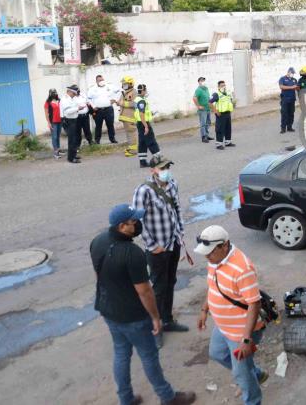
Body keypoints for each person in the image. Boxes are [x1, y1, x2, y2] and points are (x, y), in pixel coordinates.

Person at [90, 204, 196, 405]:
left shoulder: (97, 241)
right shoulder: (132, 252)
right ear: (122, 226)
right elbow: (145, 291)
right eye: (134, 222)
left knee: (121, 354)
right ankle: (168, 397)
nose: (138, 224)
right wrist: (156, 318)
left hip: (108, 310)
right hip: (134, 316)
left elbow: (98, 275)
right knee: (149, 356)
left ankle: (126, 399)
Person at [195, 225, 268, 405]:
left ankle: (253, 399)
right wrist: (205, 309)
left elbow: (254, 303)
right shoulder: (214, 261)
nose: (207, 256)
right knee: (217, 353)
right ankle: (256, 375)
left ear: (224, 245)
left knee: (241, 374)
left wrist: (245, 339)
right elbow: (213, 286)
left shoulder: (242, 268)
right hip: (223, 327)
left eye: (210, 252)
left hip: (240, 331)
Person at [132, 157, 189, 348]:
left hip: (173, 243)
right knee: (157, 287)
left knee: (170, 282)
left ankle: (167, 320)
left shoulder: (172, 184)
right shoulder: (144, 191)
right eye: (162, 168)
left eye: (168, 167)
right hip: (157, 248)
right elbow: (137, 221)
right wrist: (152, 244)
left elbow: (177, 209)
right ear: (152, 170)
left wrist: (180, 233)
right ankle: (154, 328)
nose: (166, 170)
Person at [134, 84, 161, 168]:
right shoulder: (142, 101)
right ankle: (158, 159)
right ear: (142, 91)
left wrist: (151, 113)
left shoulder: (137, 99)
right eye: (145, 90)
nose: (146, 92)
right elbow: (141, 114)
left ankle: (142, 161)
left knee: (142, 143)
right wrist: (146, 126)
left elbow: (140, 112)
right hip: (143, 123)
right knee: (151, 141)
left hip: (139, 123)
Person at [88, 74, 118, 145]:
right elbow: (88, 98)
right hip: (98, 111)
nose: (101, 81)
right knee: (98, 126)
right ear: (96, 81)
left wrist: (115, 99)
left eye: (102, 80)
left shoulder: (109, 86)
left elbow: (118, 92)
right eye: (99, 80)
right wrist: (93, 106)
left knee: (110, 125)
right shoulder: (92, 89)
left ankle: (112, 139)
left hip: (108, 109)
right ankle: (97, 140)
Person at [61, 85, 84, 163]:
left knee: (75, 139)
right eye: (74, 93)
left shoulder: (71, 99)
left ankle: (73, 155)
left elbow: (73, 108)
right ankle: (71, 158)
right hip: (68, 121)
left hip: (73, 120)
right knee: (72, 140)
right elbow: (67, 111)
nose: (74, 95)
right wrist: (78, 108)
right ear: (69, 91)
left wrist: (77, 108)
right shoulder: (65, 99)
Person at [209, 80, 236, 150]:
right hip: (220, 114)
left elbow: (230, 101)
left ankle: (228, 142)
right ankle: (219, 144)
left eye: (224, 85)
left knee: (228, 128)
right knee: (220, 129)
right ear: (218, 87)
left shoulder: (227, 93)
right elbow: (209, 102)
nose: (223, 87)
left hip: (227, 113)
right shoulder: (216, 94)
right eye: (222, 86)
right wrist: (215, 111)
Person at [118, 76, 138, 158]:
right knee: (128, 134)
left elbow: (135, 104)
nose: (123, 85)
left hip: (130, 117)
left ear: (130, 84)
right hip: (125, 117)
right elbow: (120, 101)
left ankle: (133, 151)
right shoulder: (125, 92)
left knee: (132, 134)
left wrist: (122, 103)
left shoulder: (134, 93)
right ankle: (130, 148)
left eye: (125, 84)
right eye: (123, 84)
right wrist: (118, 102)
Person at [278, 67, 299, 134]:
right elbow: (281, 87)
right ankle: (283, 128)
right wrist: (291, 87)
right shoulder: (282, 79)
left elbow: (297, 88)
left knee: (291, 113)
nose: (293, 74)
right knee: (284, 114)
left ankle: (289, 127)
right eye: (292, 73)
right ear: (289, 72)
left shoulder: (294, 80)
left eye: (293, 73)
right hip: (285, 100)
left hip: (292, 99)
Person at [193, 77, 213, 143]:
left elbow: (208, 97)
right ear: (199, 82)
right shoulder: (198, 90)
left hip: (208, 108)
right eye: (202, 81)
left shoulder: (206, 89)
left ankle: (206, 135)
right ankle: (203, 137)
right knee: (203, 123)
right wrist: (198, 106)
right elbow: (194, 98)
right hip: (203, 110)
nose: (203, 82)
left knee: (208, 122)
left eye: (204, 80)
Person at [44, 88, 63, 159]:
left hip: (60, 121)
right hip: (53, 122)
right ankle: (55, 152)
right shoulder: (47, 102)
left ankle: (58, 149)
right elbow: (46, 113)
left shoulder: (59, 100)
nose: (54, 94)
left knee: (58, 136)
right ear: (50, 94)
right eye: (52, 93)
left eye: (54, 92)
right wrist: (48, 123)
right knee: (54, 137)